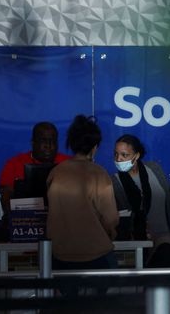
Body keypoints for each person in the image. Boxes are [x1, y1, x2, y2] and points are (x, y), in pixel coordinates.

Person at [46, 115, 119, 293]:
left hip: (60, 256)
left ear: (71, 143)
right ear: (95, 147)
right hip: (96, 255)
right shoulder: (99, 174)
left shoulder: (56, 172)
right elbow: (111, 219)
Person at [110, 134, 170, 267]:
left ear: (136, 155)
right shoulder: (114, 181)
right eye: (116, 154)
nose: (119, 159)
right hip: (137, 243)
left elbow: (169, 202)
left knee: (165, 264)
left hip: (163, 238)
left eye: (124, 155)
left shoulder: (154, 169)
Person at [0, 121, 70, 216]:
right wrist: (13, 221)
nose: (48, 146)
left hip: (62, 219)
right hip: (25, 221)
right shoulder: (14, 164)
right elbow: (6, 195)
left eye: (52, 141)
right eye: (43, 141)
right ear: (33, 143)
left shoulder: (69, 163)